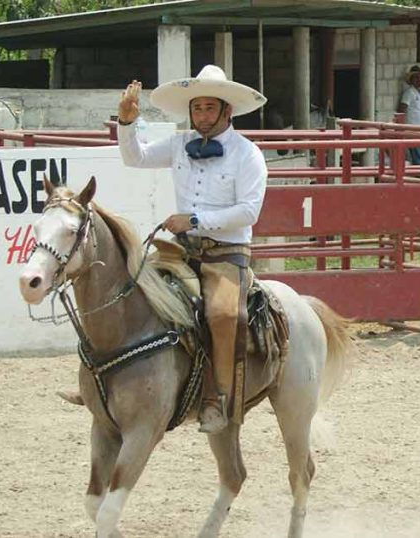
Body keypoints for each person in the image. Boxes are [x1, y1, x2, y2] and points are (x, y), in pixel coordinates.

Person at [116, 65, 269, 434]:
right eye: (196, 108)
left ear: (226, 111)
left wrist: (194, 220)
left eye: (208, 108)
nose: (201, 115)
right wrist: (126, 124)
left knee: (221, 314)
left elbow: (250, 211)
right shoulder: (178, 144)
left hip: (227, 254)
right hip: (182, 252)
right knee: (131, 289)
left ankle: (218, 398)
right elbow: (134, 157)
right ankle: (111, 382)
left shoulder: (248, 155)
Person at [397, 65, 420, 165]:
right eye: (416, 77)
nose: (419, 80)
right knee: (417, 156)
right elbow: (402, 109)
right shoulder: (409, 93)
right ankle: (419, 177)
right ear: (411, 79)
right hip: (412, 129)